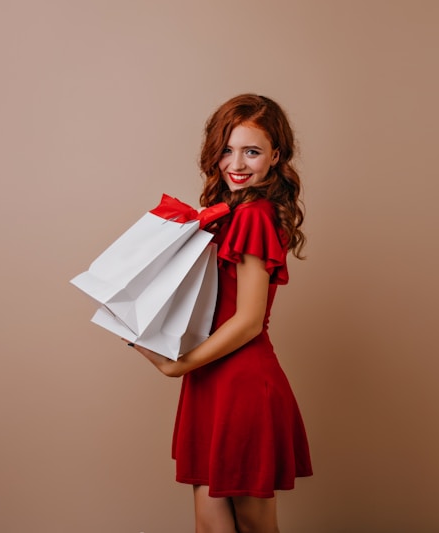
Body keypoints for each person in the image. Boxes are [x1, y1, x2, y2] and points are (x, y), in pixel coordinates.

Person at [128, 94, 313, 533]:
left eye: (252, 151)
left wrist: (179, 365)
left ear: (276, 156)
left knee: (251, 526)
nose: (237, 163)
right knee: (213, 525)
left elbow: (248, 320)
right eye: (227, 149)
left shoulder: (253, 215)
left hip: (239, 381)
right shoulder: (231, 213)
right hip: (214, 378)